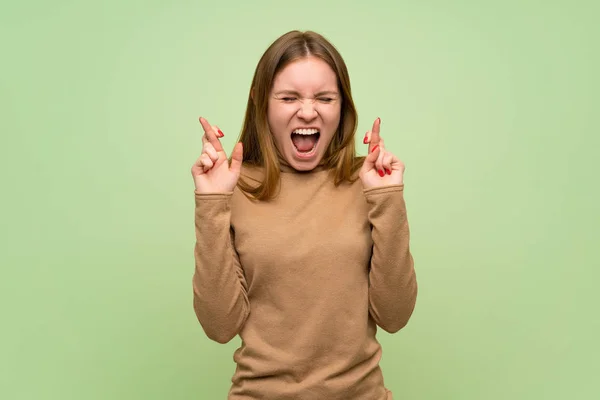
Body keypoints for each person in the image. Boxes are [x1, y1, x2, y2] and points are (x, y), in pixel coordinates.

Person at [190, 30, 418, 400]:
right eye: (288, 97)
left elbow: (394, 316)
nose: (308, 111)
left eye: (325, 98)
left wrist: (388, 200)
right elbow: (219, 325)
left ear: (341, 105)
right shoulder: (231, 185)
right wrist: (212, 203)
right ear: (261, 100)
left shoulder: (369, 182)